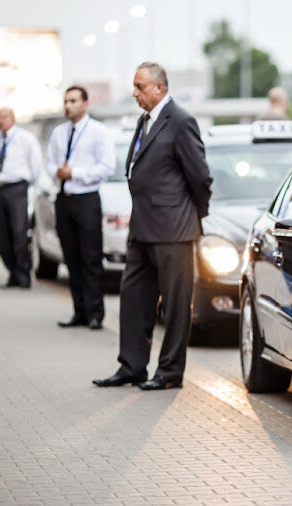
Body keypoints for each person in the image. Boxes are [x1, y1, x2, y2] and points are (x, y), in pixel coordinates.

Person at [93, 62, 213, 391]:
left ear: (159, 88)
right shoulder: (144, 120)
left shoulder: (181, 122)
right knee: (133, 300)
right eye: (134, 86)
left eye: (139, 87)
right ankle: (131, 367)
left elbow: (200, 178)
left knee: (175, 306)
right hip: (142, 227)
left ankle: (170, 373)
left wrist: (192, 215)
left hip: (173, 229)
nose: (134, 93)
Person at [46, 86, 115, 330]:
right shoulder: (58, 133)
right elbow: (51, 162)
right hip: (64, 199)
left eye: (73, 101)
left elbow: (107, 167)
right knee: (71, 259)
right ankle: (79, 311)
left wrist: (75, 173)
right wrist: (58, 172)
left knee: (91, 259)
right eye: (66, 101)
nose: (68, 106)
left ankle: (96, 313)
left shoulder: (98, 132)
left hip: (87, 199)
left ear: (85, 103)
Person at [0, 107, 43, 289]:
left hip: (17, 188)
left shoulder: (25, 139)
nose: (1, 121)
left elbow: (36, 165)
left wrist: (25, 185)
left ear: (13, 119)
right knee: (3, 234)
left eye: (5, 117)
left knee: (19, 232)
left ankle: (24, 273)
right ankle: (12, 272)